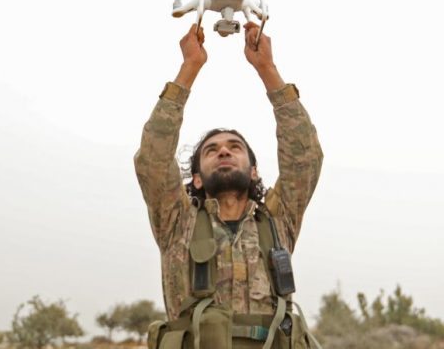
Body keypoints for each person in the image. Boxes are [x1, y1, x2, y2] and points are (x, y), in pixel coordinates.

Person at [134, 22, 323, 348]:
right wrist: (189, 68)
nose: (224, 150)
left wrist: (267, 69)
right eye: (212, 150)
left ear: (253, 172)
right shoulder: (176, 220)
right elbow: (153, 156)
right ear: (195, 177)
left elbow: (304, 156)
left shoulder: (278, 219)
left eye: (235, 148)